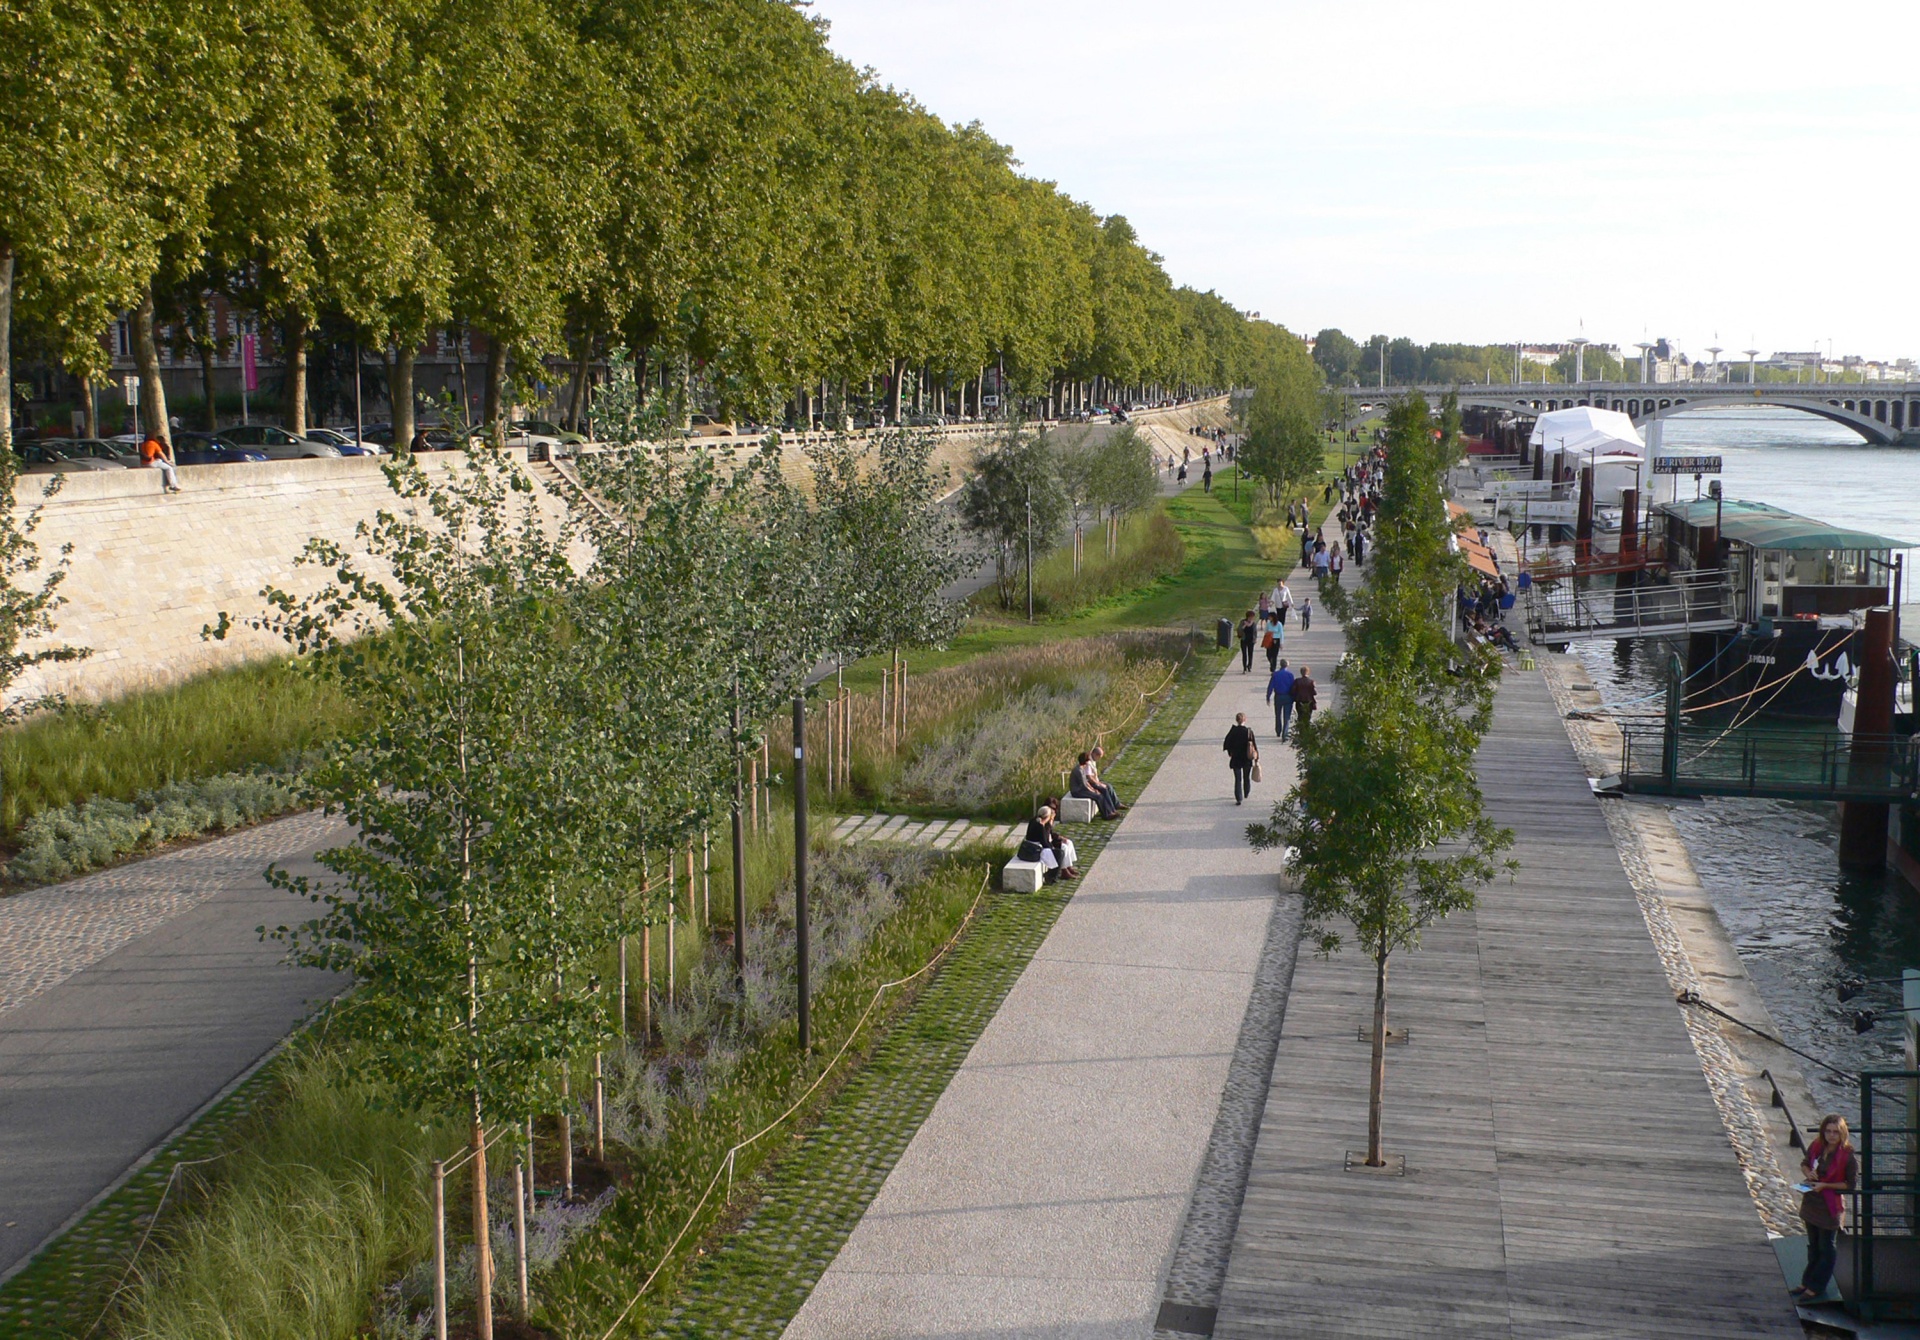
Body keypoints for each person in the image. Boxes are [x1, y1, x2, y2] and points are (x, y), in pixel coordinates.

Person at [1794, 1114, 1857, 1301]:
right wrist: (1809, 1173)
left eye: (1835, 1132)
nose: (1831, 1135)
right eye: (1828, 1131)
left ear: (1842, 1133)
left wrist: (1826, 1186)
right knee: (1813, 1246)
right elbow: (1804, 1164)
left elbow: (1850, 1184)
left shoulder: (1848, 1156)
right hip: (1812, 1202)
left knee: (1826, 1248)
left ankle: (1816, 1286)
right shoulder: (1817, 1146)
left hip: (1830, 1206)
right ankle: (1807, 1282)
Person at [1022, 803, 1079, 882]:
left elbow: (1048, 836)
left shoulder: (1036, 821)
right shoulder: (1040, 826)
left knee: (1067, 844)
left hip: (1038, 845)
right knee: (1059, 853)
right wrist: (1052, 847)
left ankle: (1067, 868)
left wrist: (1058, 838)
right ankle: (1052, 875)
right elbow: (1045, 842)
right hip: (1035, 849)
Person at [1069, 751, 1119, 820]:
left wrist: (1093, 789)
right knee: (1098, 797)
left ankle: (1109, 812)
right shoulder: (1078, 771)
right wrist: (1093, 791)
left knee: (1100, 794)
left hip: (1081, 789)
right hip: (1077, 791)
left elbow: (1086, 782)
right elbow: (1084, 785)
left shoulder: (1081, 768)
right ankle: (1106, 815)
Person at [1223, 712, 1258, 805]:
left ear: (1236, 720)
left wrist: (1230, 752)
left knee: (1237, 779)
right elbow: (1254, 745)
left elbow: (1227, 743)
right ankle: (1246, 792)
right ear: (1245, 720)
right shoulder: (1249, 732)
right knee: (1246, 777)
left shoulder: (1233, 731)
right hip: (1247, 758)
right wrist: (1256, 757)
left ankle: (1238, 798)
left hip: (1236, 758)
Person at [1086, 745, 1126, 814]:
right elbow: (1089, 777)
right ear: (1095, 754)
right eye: (1099, 757)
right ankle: (1111, 810)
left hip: (1095, 781)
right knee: (1105, 790)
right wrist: (1099, 784)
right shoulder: (1088, 763)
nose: (1099, 759)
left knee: (1109, 786)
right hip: (1090, 783)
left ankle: (1116, 804)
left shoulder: (1093, 761)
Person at [1266, 658, 1296, 741]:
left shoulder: (1275, 674)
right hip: (1288, 697)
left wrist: (1268, 697)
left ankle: (1278, 730)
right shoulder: (1290, 675)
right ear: (1287, 665)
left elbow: (1270, 686)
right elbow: (1293, 687)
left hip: (1278, 696)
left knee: (1278, 714)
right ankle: (1285, 734)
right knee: (1287, 716)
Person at [1290, 665, 1318, 735]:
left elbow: (1293, 691)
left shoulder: (1297, 681)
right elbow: (1314, 693)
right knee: (1308, 716)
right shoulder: (1311, 682)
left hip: (1299, 701)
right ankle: (1307, 730)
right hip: (1309, 701)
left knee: (1300, 716)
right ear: (1308, 672)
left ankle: (1301, 731)